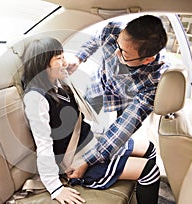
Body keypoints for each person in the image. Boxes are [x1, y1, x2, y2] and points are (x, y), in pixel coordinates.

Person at [22, 36, 160, 204]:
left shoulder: (58, 84)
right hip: (76, 161)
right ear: (43, 64)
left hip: (91, 143)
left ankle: (140, 191)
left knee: (149, 148)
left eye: (63, 56)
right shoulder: (36, 98)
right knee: (150, 171)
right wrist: (55, 188)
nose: (65, 62)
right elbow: (44, 144)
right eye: (59, 58)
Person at [66, 14, 170, 202]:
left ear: (147, 60)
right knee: (89, 123)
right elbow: (97, 39)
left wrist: (88, 160)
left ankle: (140, 180)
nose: (115, 53)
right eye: (117, 44)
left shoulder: (153, 82)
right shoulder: (114, 29)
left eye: (124, 53)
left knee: (119, 137)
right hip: (100, 86)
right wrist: (79, 57)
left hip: (126, 100)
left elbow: (122, 129)